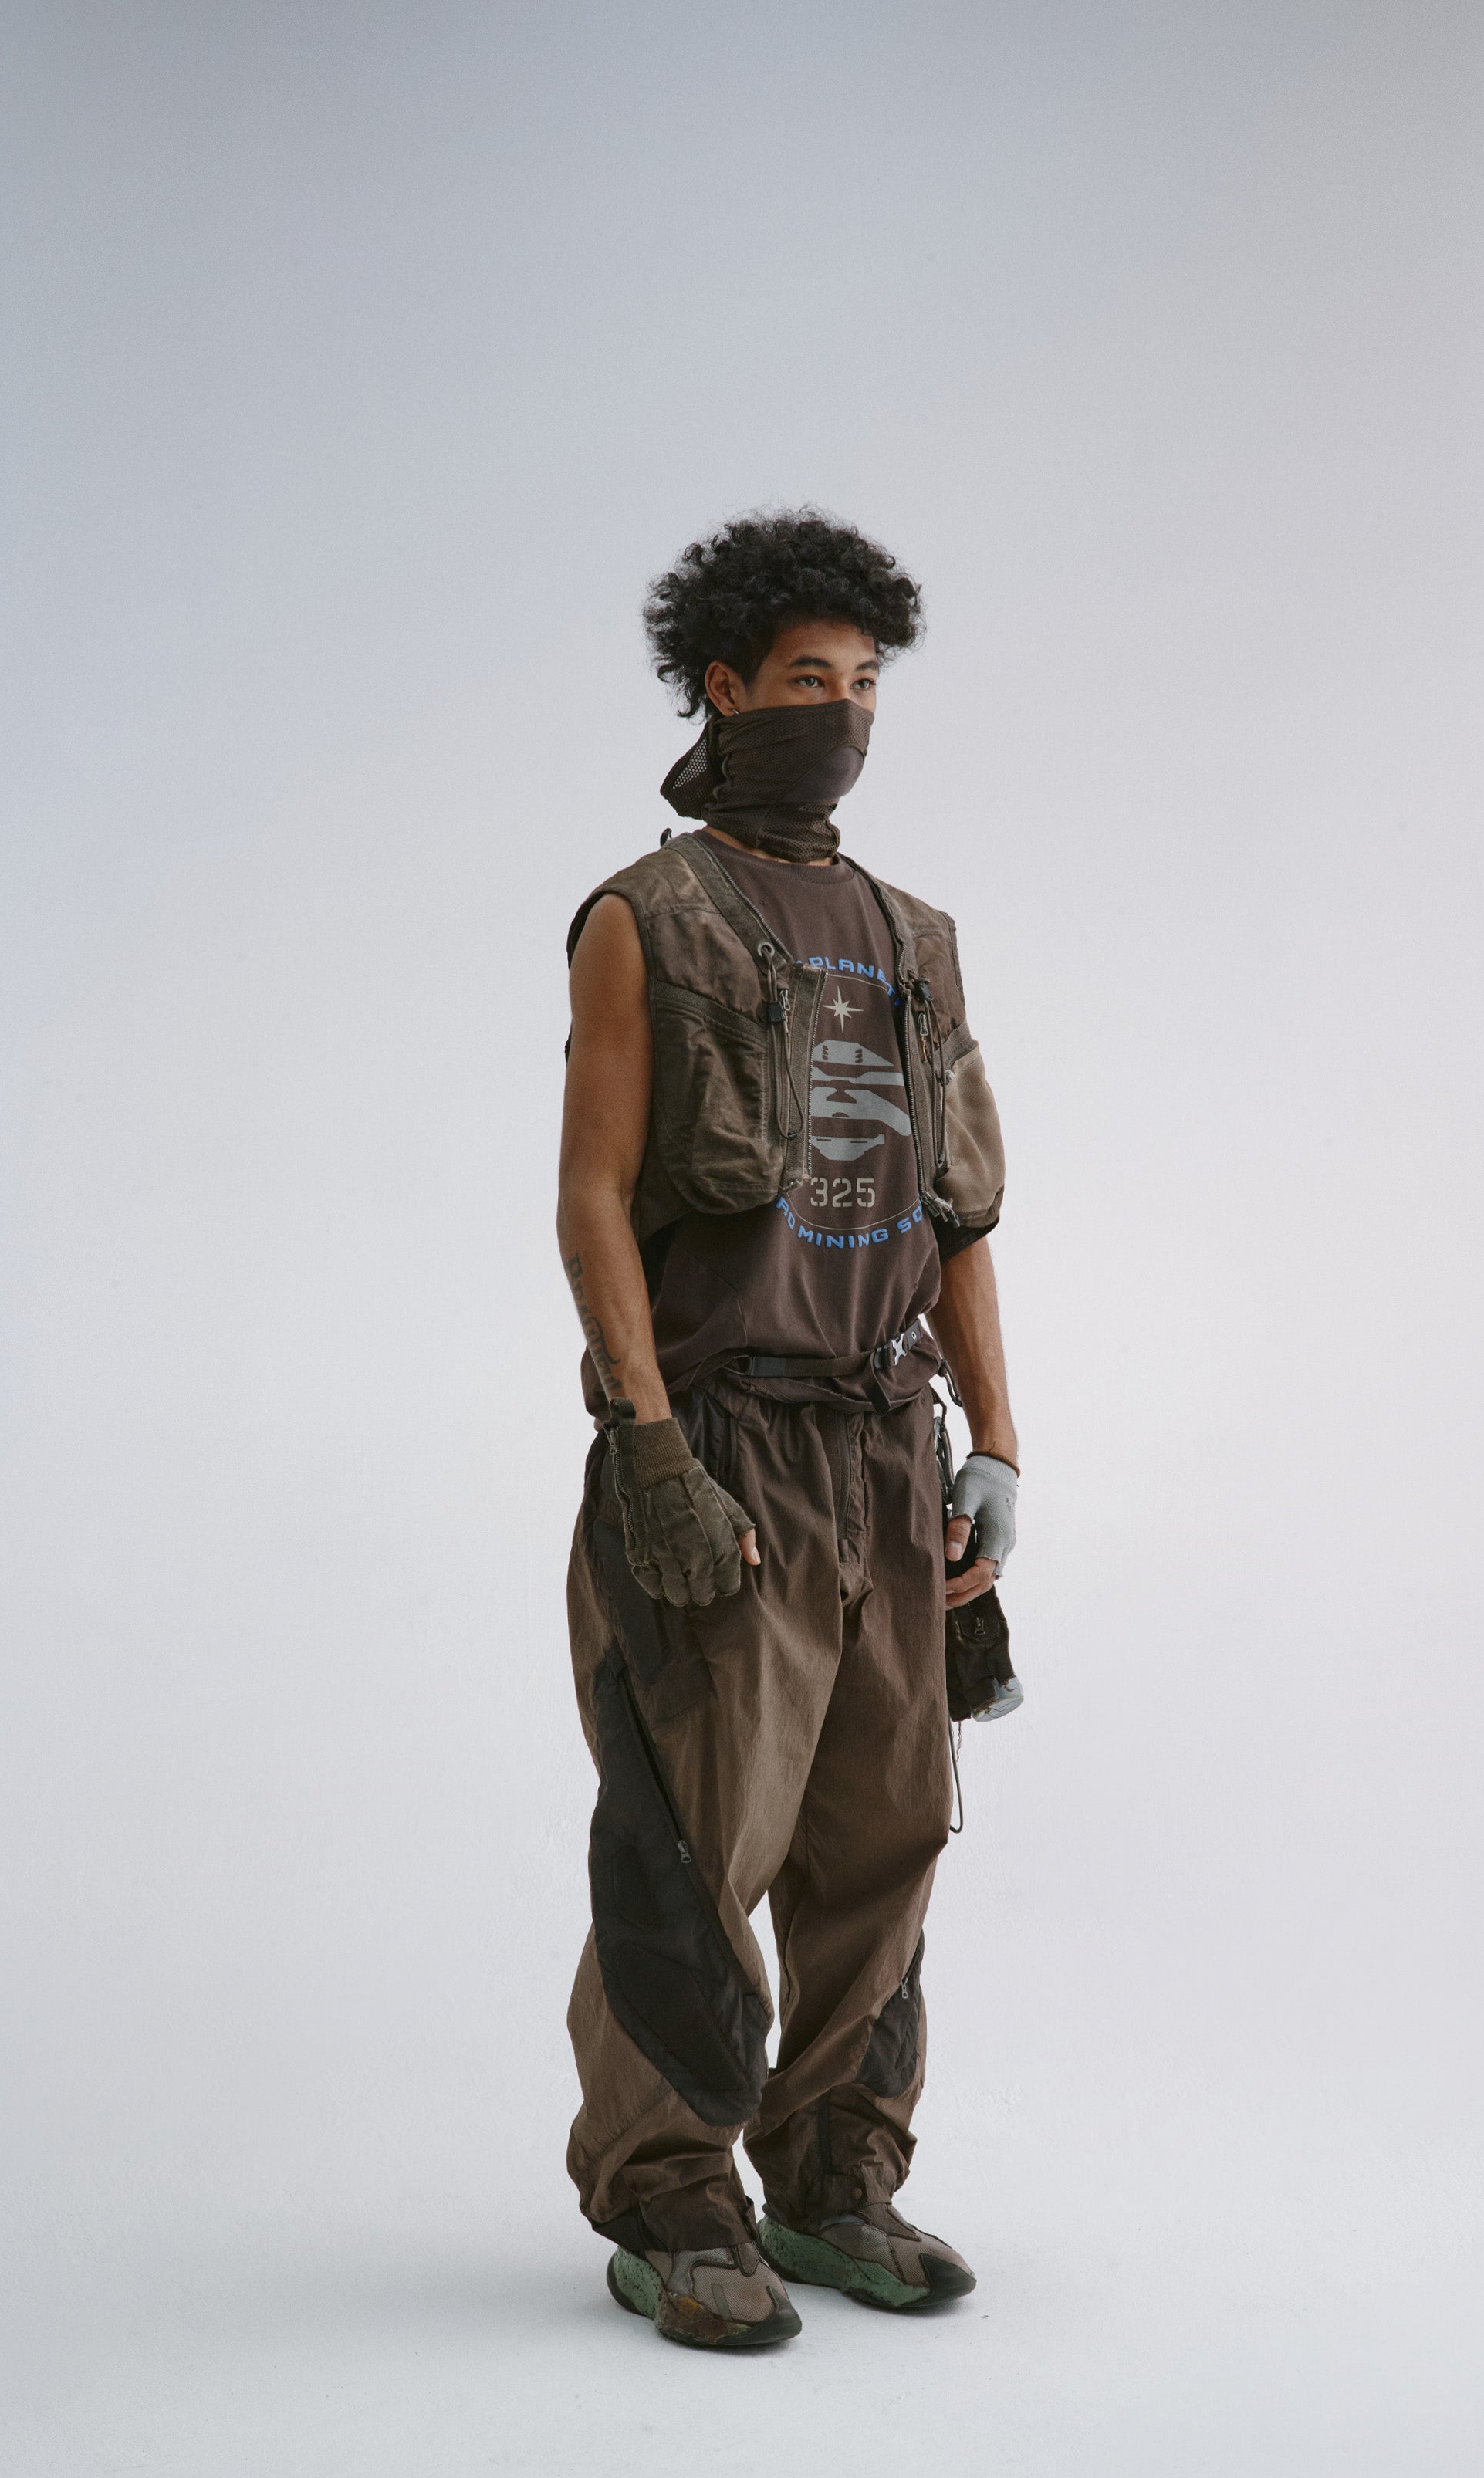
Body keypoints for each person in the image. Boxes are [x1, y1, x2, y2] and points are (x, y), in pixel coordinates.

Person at [555, 509, 1019, 2350]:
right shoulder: (644, 919)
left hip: (884, 1450)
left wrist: (993, 1449)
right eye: (807, 680)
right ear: (722, 688)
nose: (841, 712)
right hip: (722, 1447)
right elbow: (592, 1199)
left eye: (865, 683)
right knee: (694, 1840)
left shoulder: (914, 940)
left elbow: (959, 1219)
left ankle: (834, 2178)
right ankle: (670, 2197)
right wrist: (647, 1447)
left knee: (886, 1830)